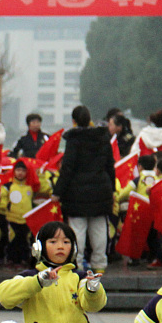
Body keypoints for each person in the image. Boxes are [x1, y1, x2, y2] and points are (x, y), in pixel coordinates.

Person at [52, 106, 114, 274]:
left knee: (77, 230)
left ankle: (77, 263)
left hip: (76, 192)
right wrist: (112, 189)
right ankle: (99, 263)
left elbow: (68, 169)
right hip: (101, 189)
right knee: (100, 228)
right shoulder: (102, 137)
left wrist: (57, 192)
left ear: (74, 121)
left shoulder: (74, 140)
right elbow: (110, 165)